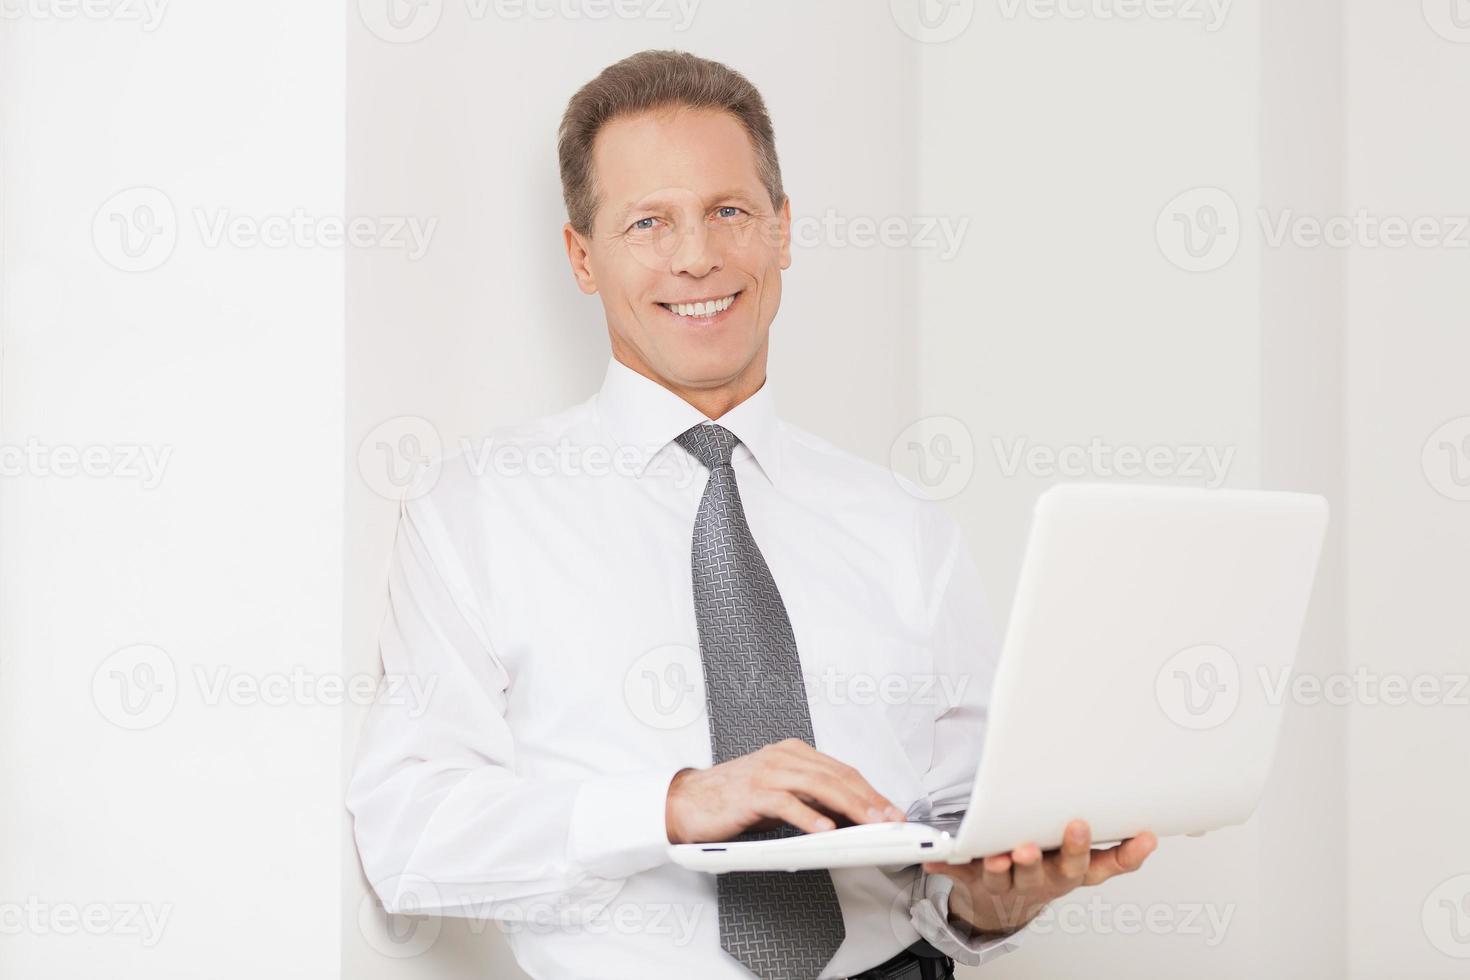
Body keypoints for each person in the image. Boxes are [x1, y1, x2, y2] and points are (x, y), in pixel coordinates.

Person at [346, 48, 1155, 980]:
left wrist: (986, 903)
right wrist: (670, 805)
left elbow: (955, 832)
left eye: (729, 211)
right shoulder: (477, 509)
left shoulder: (901, 525)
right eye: (648, 221)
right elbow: (408, 837)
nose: (698, 256)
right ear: (581, 255)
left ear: (781, 231)